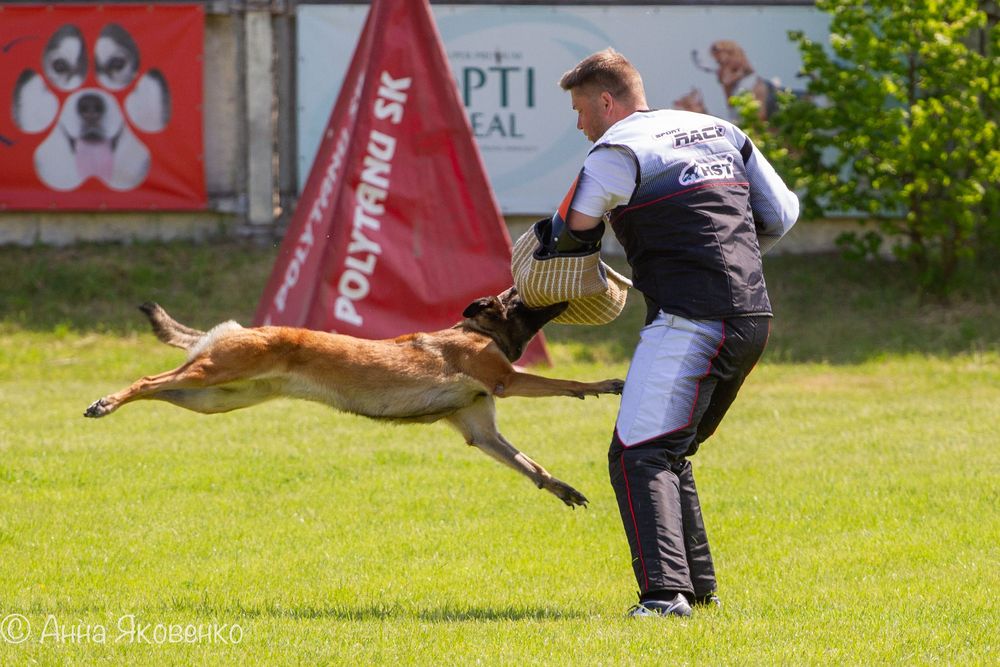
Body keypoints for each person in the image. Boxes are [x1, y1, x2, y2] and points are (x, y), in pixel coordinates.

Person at [546, 48, 799, 618]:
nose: (580, 124)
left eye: (582, 109)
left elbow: (569, 237)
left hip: (690, 322)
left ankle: (664, 598)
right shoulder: (720, 130)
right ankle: (699, 590)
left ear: (607, 101)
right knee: (669, 449)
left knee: (639, 453)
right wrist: (723, 253)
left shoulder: (615, 151)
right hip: (752, 317)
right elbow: (781, 214)